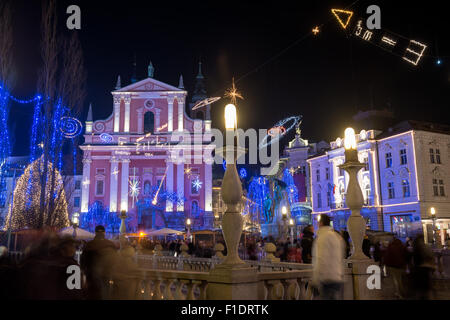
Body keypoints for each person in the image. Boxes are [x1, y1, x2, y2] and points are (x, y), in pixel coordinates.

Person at [312, 214, 345, 300]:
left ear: (321, 223)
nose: (317, 224)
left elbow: (320, 259)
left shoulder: (322, 238)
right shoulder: (336, 236)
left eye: (318, 222)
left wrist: (315, 280)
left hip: (326, 278)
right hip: (337, 277)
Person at [80, 225, 118, 300]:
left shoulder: (89, 245)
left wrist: (85, 271)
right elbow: (115, 260)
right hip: (106, 275)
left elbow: (83, 260)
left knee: (92, 294)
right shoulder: (110, 245)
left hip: (91, 276)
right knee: (105, 294)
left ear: (95, 232)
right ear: (104, 232)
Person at [409, 234, 435, 299]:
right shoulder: (425, 247)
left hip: (417, 269)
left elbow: (412, 260)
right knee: (427, 288)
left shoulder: (414, 248)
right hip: (425, 268)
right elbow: (431, 257)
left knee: (419, 289)